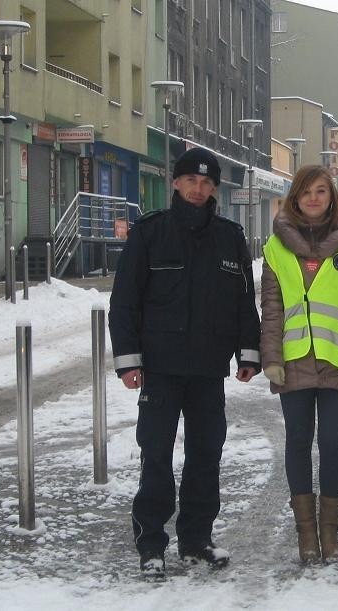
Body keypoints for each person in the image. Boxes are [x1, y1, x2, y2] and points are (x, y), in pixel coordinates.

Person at [109, 147, 261, 576]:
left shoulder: (229, 237)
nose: (199, 188)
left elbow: (242, 303)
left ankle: (196, 539)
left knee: (206, 454)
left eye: (207, 183)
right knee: (155, 454)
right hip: (160, 368)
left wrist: (248, 353)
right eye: (191, 181)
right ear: (175, 183)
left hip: (208, 370)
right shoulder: (150, 234)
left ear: (215, 188)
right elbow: (124, 304)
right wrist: (128, 361)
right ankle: (151, 544)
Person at [260, 165, 338, 563]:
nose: (313, 198)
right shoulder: (276, 247)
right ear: (294, 196)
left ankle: (330, 532)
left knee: (332, 443)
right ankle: (307, 535)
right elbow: (271, 307)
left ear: (331, 196)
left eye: (320, 191)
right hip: (293, 362)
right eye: (305, 191)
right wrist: (271, 358)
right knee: (298, 442)